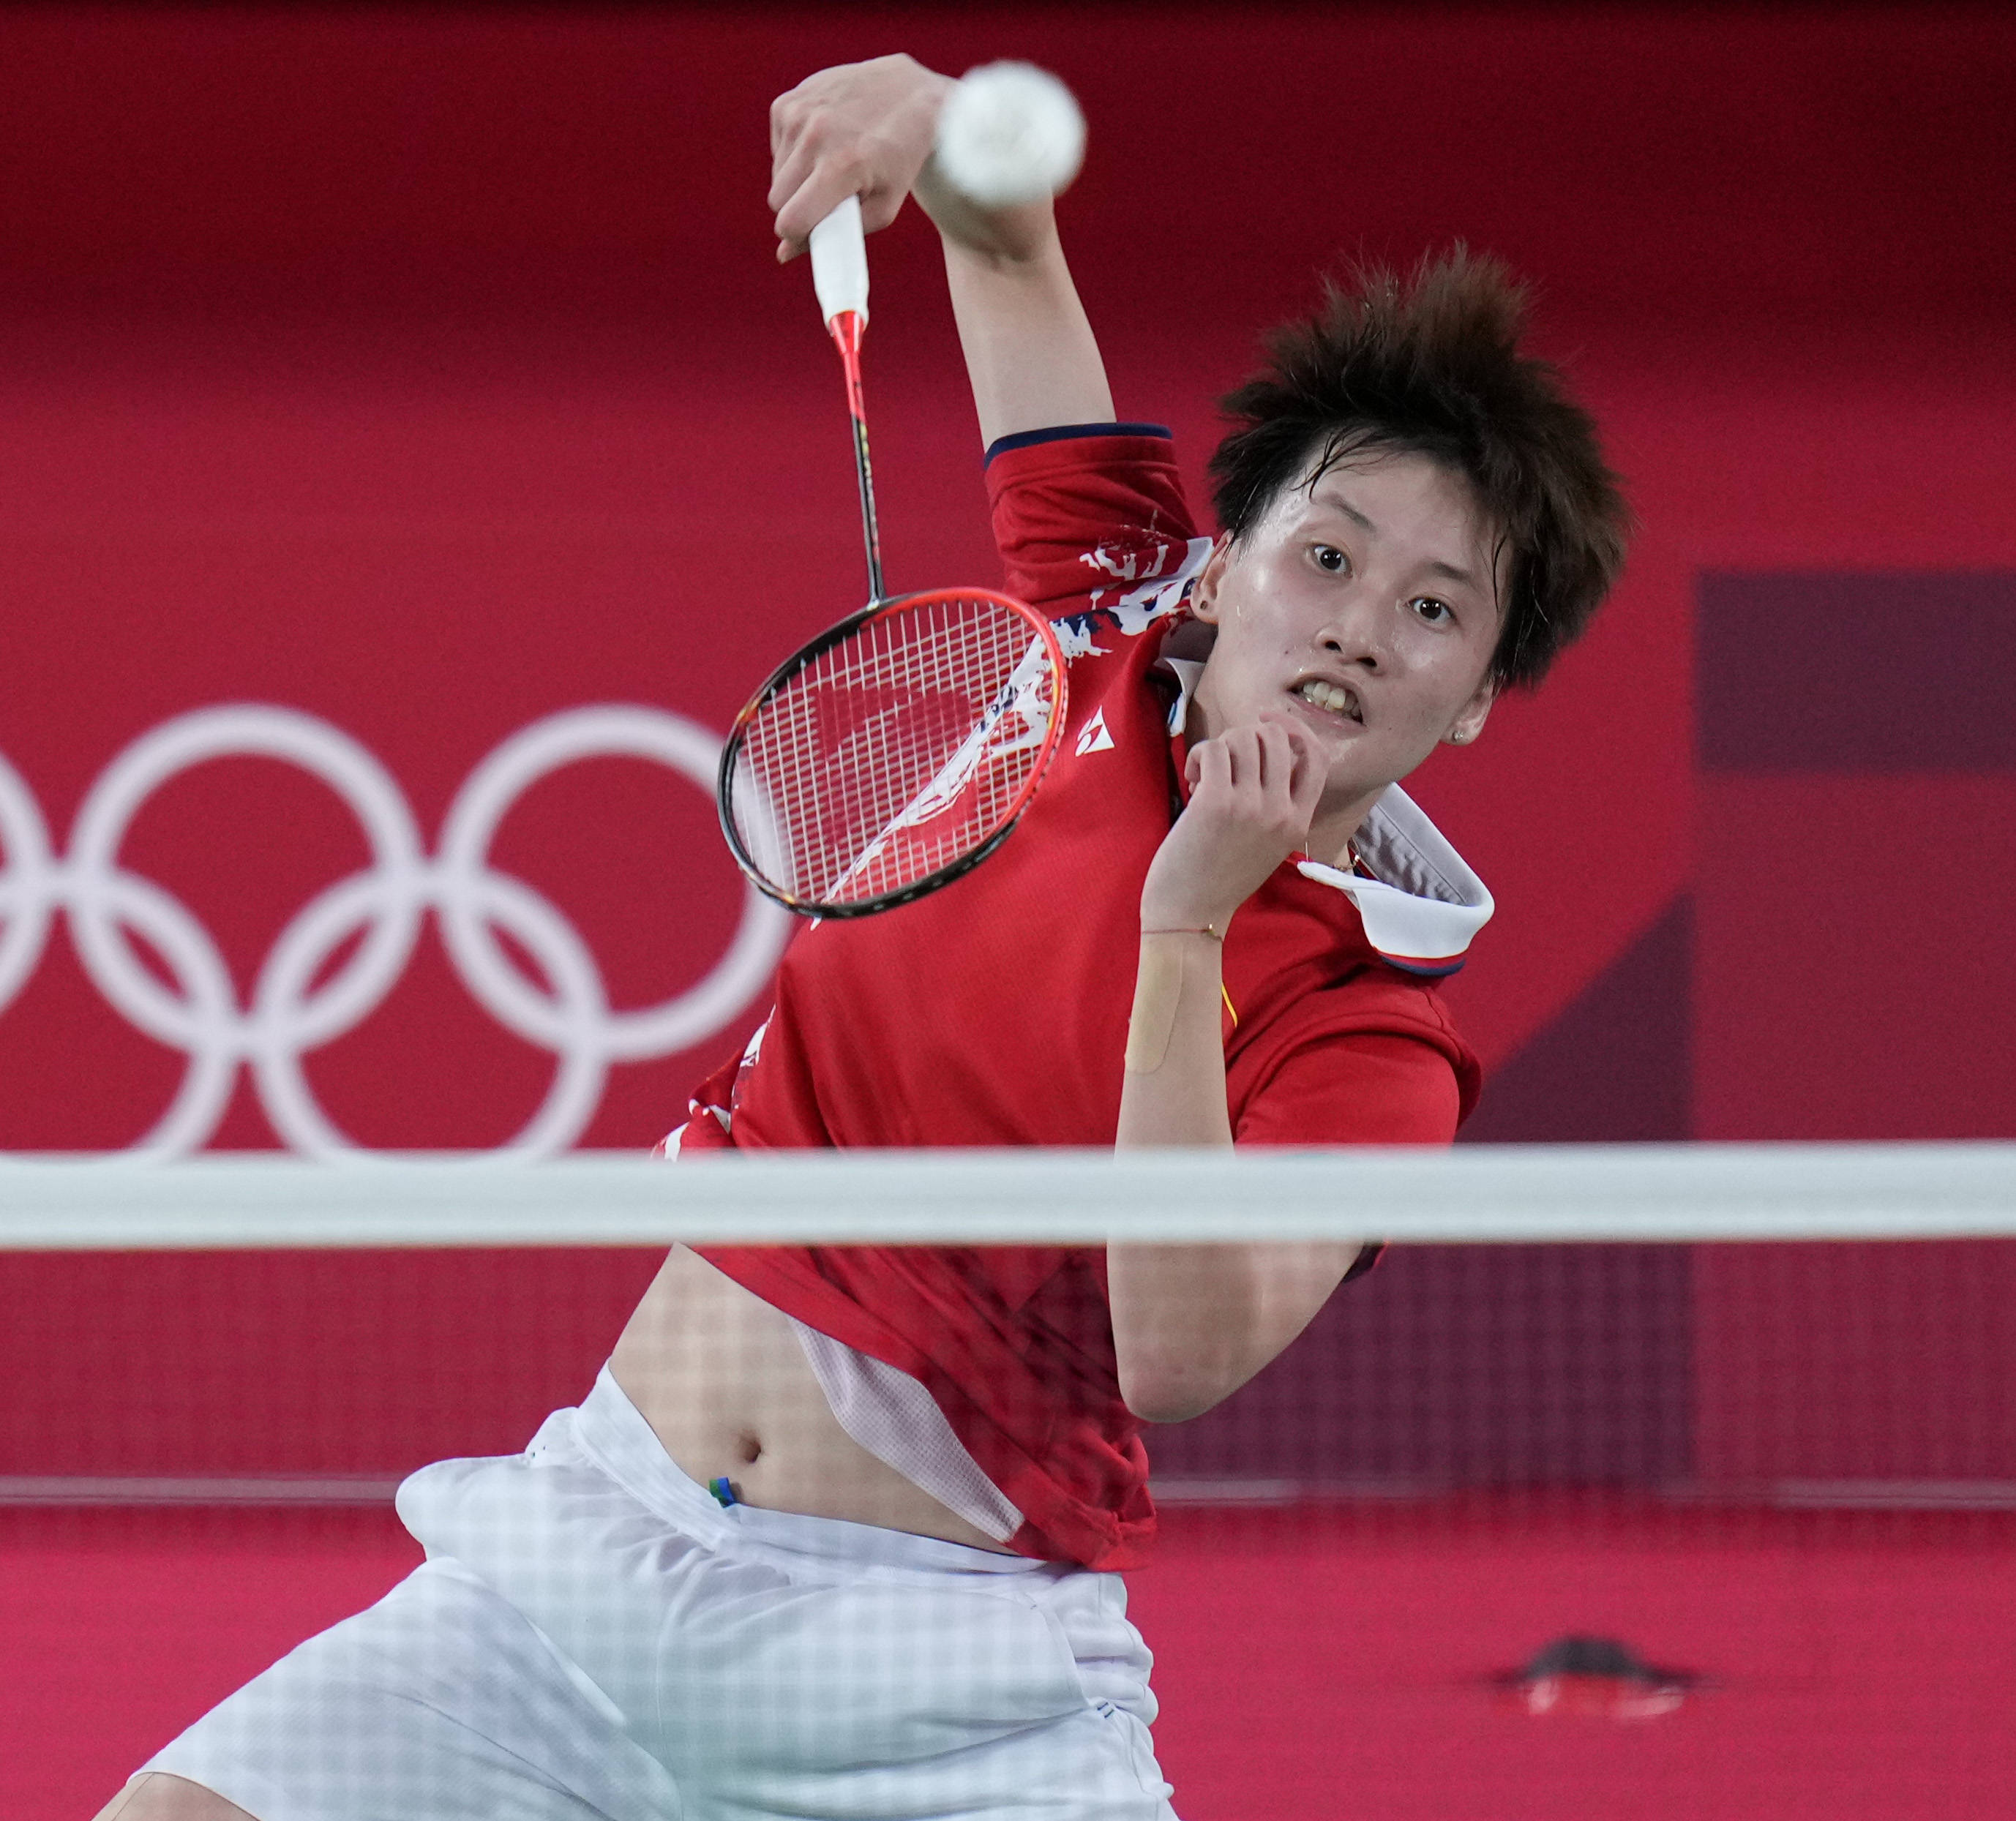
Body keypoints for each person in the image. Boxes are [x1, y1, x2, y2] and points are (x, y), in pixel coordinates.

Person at [96, 50, 1628, 1821]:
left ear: (1476, 706)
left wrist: (1187, 925)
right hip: (576, 1571)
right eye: (1328, 558)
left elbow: (1183, 1361)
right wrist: (940, 115)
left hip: (929, 1688)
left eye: (1433, 613)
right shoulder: (1098, 608)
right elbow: (999, 245)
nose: (1358, 628)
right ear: (1222, 567)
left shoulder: (1370, 1036)